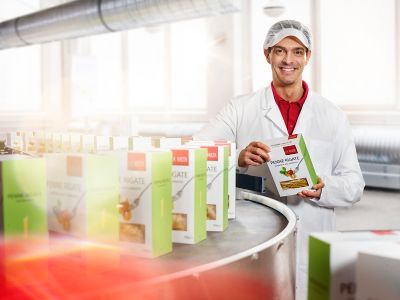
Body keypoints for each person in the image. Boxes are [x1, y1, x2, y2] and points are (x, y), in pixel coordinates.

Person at [195, 20, 365, 300]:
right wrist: (237, 156)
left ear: (308, 57)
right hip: (255, 238)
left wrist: (324, 188)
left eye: (298, 52)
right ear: (267, 55)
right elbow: (197, 149)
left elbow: (354, 185)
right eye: (280, 51)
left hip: (314, 235)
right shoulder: (240, 108)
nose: (289, 60)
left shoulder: (332, 115)